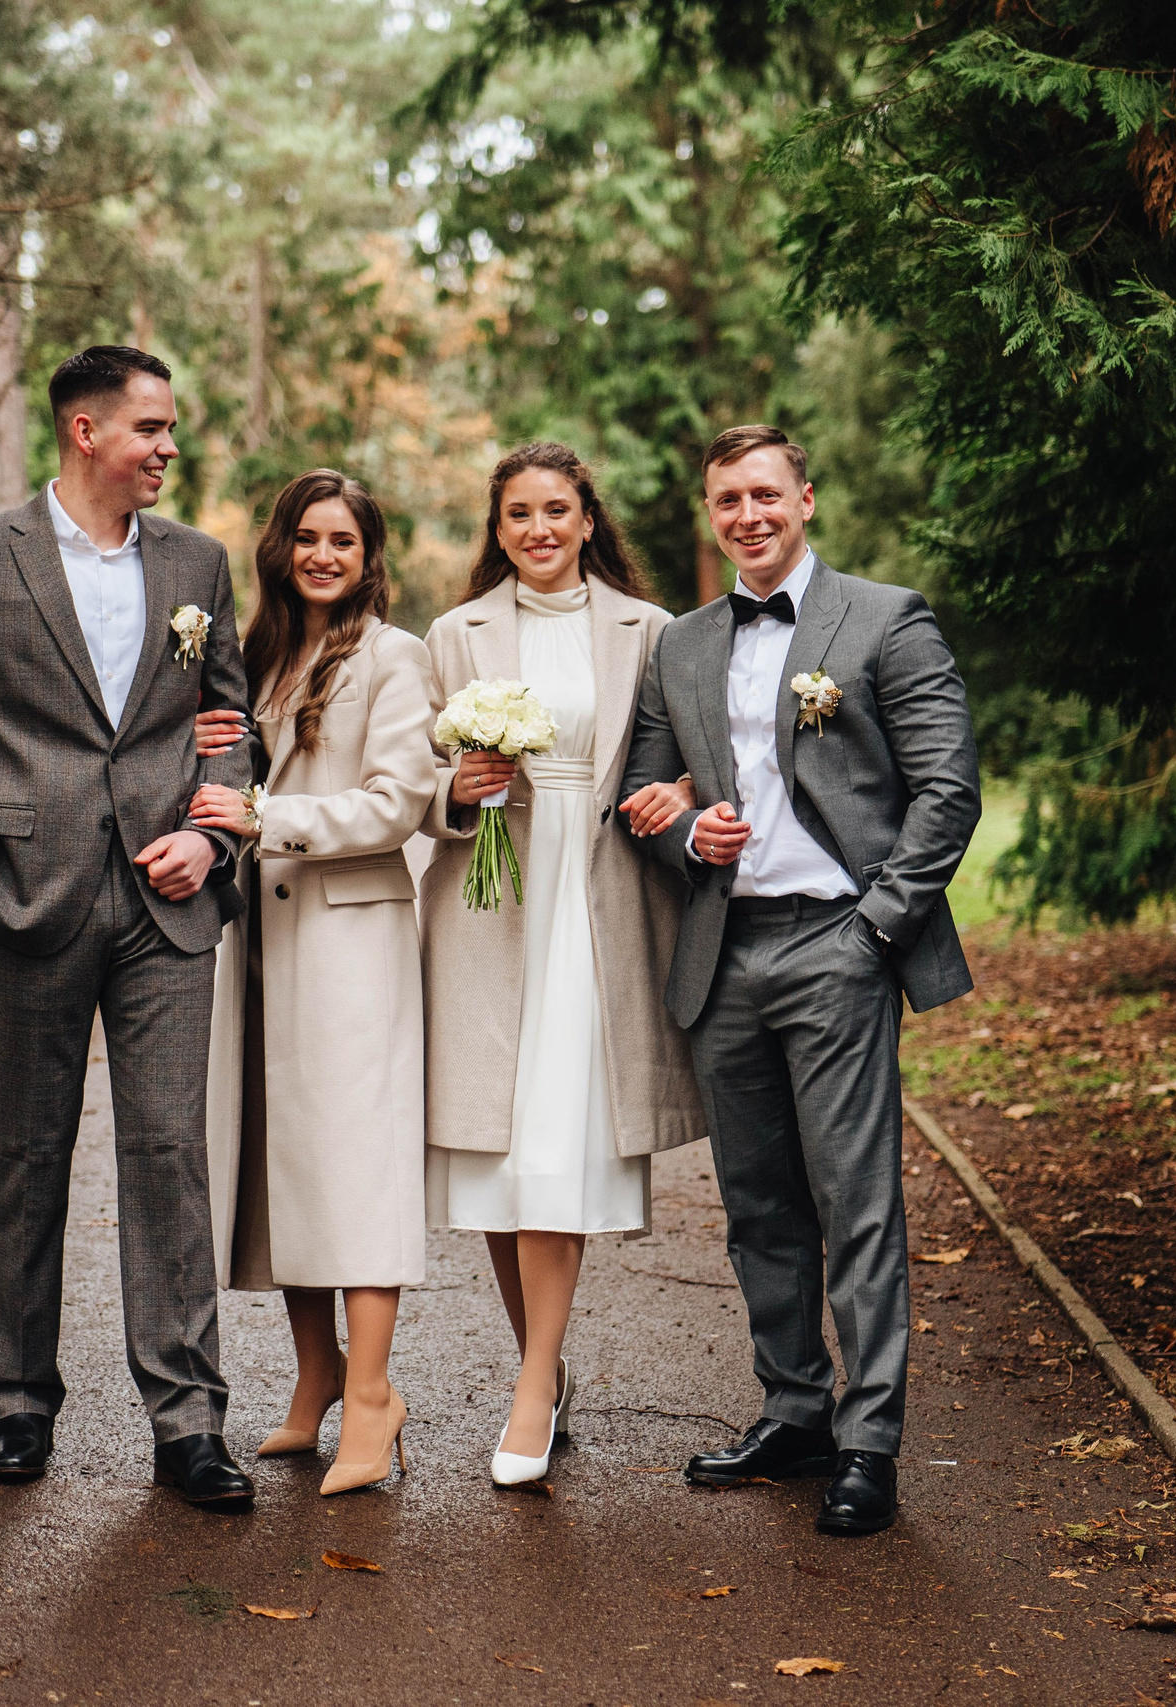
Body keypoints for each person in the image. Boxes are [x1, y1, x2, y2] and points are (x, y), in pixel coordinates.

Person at [0, 344, 258, 1512]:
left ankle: (188, 1424)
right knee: (28, 1158)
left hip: (167, 904)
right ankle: (19, 1404)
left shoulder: (197, 561)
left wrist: (216, 838)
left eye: (171, 430)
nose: (168, 449)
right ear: (86, 432)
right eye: (151, 429)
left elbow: (227, 718)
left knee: (167, 1160)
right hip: (20, 901)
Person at [619, 424, 980, 1537]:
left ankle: (869, 1444)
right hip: (725, 951)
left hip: (838, 943)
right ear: (711, 514)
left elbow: (947, 790)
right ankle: (794, 1412)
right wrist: (686, 837)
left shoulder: (883, 618)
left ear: (806, 499)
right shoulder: (680, 644)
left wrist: (875, 927)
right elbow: (639, 790)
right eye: (727, 499)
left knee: (854, 1203)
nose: (748, 515)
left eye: (765, 494)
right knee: (758, 1204)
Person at [417, 442, 707, 1487]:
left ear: (588, 519)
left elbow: (683, 756)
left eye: (556, 511)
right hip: (492, 909)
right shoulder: (454, 635)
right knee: (501, 1159)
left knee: (560, 1148)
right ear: (496, 531)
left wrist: (674, 795)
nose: (537, 530)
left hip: (600, 907)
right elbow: (415, 779)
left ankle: (533, 1385)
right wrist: (460, 791)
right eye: (516, 515)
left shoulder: (651, 631)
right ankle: (543, 1365)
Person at [187, 469, 439, 1498]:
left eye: (343, 540)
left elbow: (397, 803)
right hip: (257, 945)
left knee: (355, 1171)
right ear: (280, 549)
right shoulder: (256, 656)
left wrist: (268, 819)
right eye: (307, 538)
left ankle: (375, 1394)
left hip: (348, 948)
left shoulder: (394, 657)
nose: (323, 555)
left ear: (368, 554)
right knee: (279, 1169)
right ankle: (316, 1376)